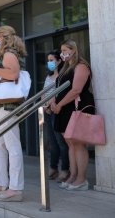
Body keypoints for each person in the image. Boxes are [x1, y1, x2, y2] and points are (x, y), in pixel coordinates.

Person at [0, 25, 27, 202]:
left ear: (2, 37)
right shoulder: (4, 54)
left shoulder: (9, 54)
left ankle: (15, 188)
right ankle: (2, 182)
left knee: (12, 145)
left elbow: (13, 74)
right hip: (2, 106)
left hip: (8, 106)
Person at [50, 39, 95, 191]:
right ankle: (73, 176)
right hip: (64, 109)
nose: (63, 54)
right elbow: (58, 89)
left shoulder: (81, 66)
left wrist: (60, 104)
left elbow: (76, 89)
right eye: (61, 51)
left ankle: (82, 179)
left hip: (77, 108)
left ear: (73, 50)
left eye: (65, 50)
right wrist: (53, 103)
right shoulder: (65, 68)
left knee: (78, 143)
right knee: (70, 143)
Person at [42, 50, 69, 182]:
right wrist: (45, 106)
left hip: (58, 112)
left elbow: (62, 94)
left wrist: (52, 104)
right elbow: (43, 94)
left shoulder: (63, 76)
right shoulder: (48, 77)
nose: (49, 63)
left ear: (59, 61)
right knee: (52, 142)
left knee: (61, 142)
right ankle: (53, 168)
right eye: (48, 60)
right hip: (47, 112)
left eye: (52, 60)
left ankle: (65, 169)